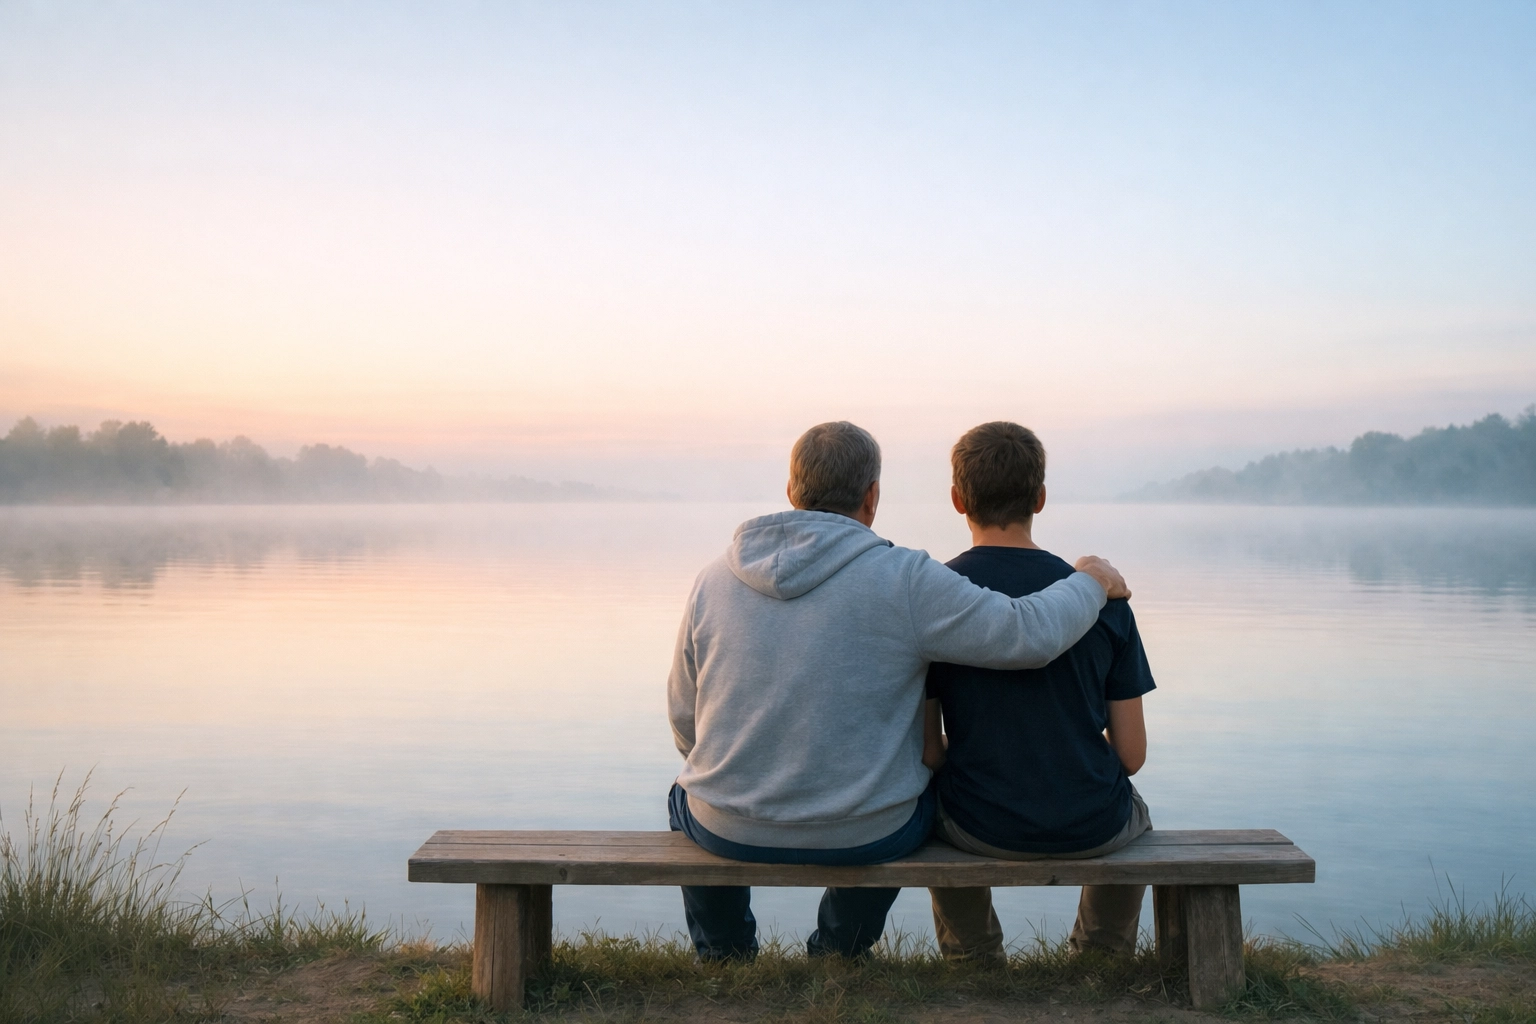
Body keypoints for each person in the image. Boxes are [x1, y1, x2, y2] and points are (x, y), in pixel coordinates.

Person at [666, 420, 1132, 961]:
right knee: (905, 801)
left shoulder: (712, 580)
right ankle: (839, 951)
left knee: (686, 791)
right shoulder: (905, 578)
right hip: (867, 832)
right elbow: (1026, 635)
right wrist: (1091, 582)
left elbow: (685, 719)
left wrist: (741, 776)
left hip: (727, 826)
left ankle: (724, 954)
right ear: (872, 497)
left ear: (792, 492)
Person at [923, 421, 1156, 963]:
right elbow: (1132, 755)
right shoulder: (1105, 599)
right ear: (1041, 499)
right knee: (1137, 815)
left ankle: (973, 957)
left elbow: (930, 752)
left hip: (977, 822)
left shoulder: (934, 600)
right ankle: (1100, 954)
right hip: (1090, 822)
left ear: (958, 500)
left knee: (928, 802)